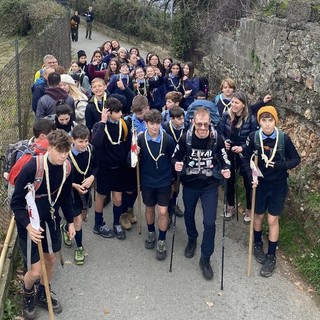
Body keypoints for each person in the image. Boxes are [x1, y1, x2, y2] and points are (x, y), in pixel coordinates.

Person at [10, 129, 74, 319]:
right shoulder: (33, 167)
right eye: (59, 151)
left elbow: (65, 197)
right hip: (30, 222)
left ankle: (43, 293)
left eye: (66, 151)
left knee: (51, 260)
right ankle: (28, 293)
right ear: (50, 148)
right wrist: (29, 226)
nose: (63, 156)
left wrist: (70, 222)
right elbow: (16, 202)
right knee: (35, 271)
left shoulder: (67, 168)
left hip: (51, 218)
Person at [172, 107, 231, 280]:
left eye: (206, 124)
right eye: (199, 124)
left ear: (210, 123)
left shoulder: (216, 138)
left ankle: (205, 258)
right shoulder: (186, 138)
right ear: (193, 122)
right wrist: (176, 164)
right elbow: (175, 156)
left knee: (210, 223)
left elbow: (224, 159)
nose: (203, 128)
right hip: (190, 184)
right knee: (189, 214)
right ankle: (192, 238)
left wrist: (226, 169)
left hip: (209, 186)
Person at [243, 106, 300, 277]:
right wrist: (251, 175)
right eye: (263, 120)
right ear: (259, 121)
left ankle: (271, 255)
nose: (267, 124)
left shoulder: (284, 139)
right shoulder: (253, 137)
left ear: (275, 121)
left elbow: (296, 158)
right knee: (258, 215)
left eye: (270, 120)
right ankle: (258, 244)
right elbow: (246, 158)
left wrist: (281, 166)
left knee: (273, 219)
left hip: (278, 184)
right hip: (260, 184)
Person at [91, 97, 131, 240]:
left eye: (120, 111)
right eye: (117, 112)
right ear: (108, 112)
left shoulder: (124, 124)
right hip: (104, 168)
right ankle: (98, 223)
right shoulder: (98, 126)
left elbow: (128, 144)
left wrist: (132, 152)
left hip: (119, 168)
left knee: (118, 197)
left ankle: (116, 223)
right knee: (101, 196)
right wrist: (102, 121)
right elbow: (96, 142)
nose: (120, 114)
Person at [137, 109, 175, 260]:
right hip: (147, 181)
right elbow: (131, 162)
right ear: (146, 123)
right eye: (151, 124)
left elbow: (173, 159)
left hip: (164, 181)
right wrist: (134, 154)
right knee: (149, 208)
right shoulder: (139, 139)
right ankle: (151, 232)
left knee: (163, 212)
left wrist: (174, 180)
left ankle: (162, 240)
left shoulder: (167, 139)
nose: (155, 127)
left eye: (157, 123)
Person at [61, 124, 98, 265]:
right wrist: (74, 185)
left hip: (85, 189)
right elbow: (60, 177)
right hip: (70, 191)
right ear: (72, 140)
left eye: (86, 141)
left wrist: (92, 177)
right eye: (80, 141)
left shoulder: (91, 150)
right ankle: (80, 247)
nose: (84, 144)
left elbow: (96, 166)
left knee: (82, 217)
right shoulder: (66, 155)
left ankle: (64, 228)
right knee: (78, 221)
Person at [220, 91, 259, 223]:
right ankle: (230, 206)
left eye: (237, 102)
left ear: (243, 104)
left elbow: (254, 139)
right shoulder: (226, 116)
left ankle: (249, 208)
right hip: (229, 153)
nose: (234, 105)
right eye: (233, 102)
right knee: (228, 180)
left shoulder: (251, 119)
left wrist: (243, 147)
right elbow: (220, 133)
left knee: (248, 183)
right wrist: (224, 141)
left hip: (245, 156)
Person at [120, 96, 150, 230]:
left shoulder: (151, 121)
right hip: (130, 161)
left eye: (141, 112)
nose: (139, 115)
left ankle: (130, 208)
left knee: (138, 188)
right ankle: (123, 213)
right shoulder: (127, 122)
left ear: (147, 108)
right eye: (136, 112)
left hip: (145, 161)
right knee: (129, 189)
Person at [162, 106, 188, 223]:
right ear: (172, 119)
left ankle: (173, 205)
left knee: (177, 186)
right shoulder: (165, 127)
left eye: (183, 118)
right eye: (179, 119)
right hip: (169, 161)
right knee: (170, 187)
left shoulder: (187, 128)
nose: (182, 121)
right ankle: (167, 211)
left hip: (182, 160)